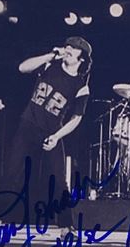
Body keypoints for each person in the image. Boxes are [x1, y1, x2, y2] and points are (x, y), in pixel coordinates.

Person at [5, 36, 92, 233]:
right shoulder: (50, 66)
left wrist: (57, 136)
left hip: (51, 132)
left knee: (59, 179)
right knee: (13, 173)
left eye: (74, 48)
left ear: (82, 58)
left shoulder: (81, 86)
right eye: (67, 46)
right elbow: (22, 68)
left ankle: (66, 226)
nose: (68, 49)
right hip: (28, 125)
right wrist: (49, 55)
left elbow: (76, 118)